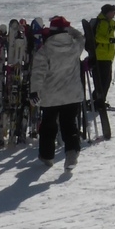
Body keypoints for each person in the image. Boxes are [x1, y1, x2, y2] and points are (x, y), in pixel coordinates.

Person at [30, 16, 86, 166]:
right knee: (69, 125)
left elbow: (38, 73)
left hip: (51, 96)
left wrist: (34, 91)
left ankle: (47, 156)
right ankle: (72, 154)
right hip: (72, 95)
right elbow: (80, 36)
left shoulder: (45, 50)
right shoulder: (75, 47)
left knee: (48, 126)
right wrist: (69, 29)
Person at [89, 4, 115, 110]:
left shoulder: (107, 22)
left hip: (105, 55)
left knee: (103, 80)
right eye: (112, 12)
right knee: (104, 80)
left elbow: (107, 31)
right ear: (107, 13)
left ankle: (97, 99)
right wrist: (112, 40)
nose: (114, 14)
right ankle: (98, 101)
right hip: (101, 55)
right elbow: (98, 37)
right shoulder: (103, 22)